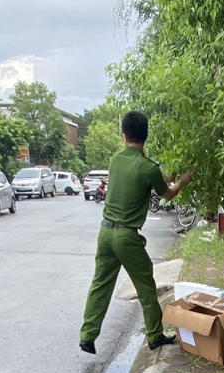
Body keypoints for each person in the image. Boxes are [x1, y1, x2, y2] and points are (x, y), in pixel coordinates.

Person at [80, 111, 194, 354]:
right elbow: (168, 194)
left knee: (101, 284)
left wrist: (167, 177)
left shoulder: (116, 160)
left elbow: (144, 179)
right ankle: (154, 335)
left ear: (124, 136)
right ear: (146, 136)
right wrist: (183, 181)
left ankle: (88, 335)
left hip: (106, 233)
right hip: (126, 238)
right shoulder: (149, 167)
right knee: (145, 286)